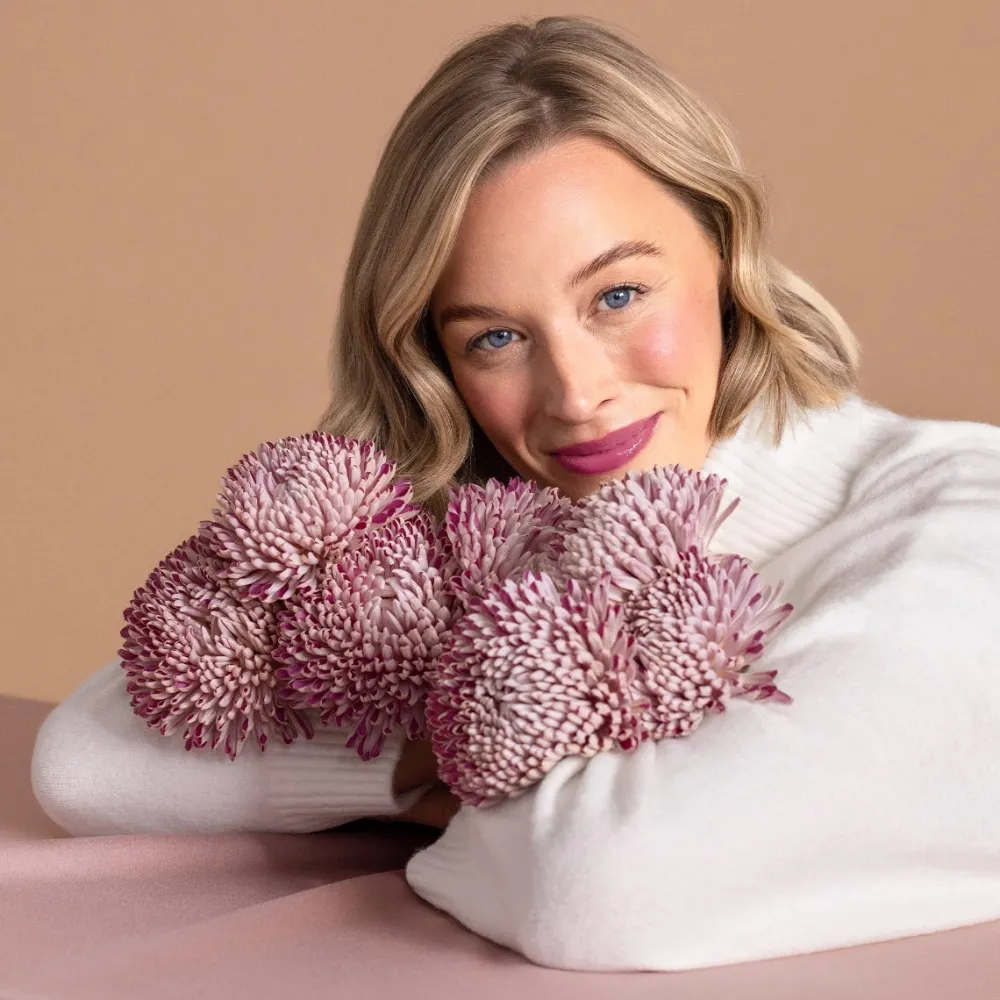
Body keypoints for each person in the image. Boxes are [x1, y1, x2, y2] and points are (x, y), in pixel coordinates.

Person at [30, 14, 1000, 973]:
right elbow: (90, 759)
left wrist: (477, 783)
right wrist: (456, 741)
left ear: (723, 250)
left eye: (618, 296)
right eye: (495, 337)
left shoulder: (962, 522)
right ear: (436, 363)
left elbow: (605, 887)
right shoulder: (514, 551)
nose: (575, 394)